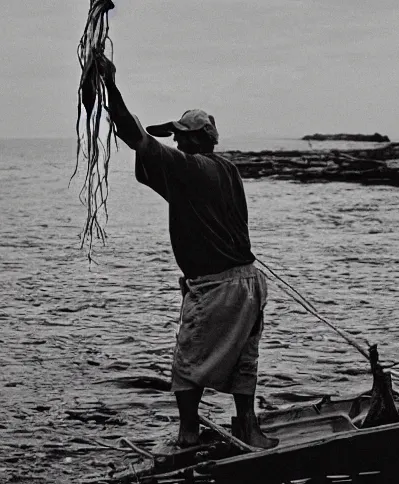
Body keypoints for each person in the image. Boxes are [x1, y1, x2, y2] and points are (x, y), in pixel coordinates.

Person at [96, 56, 277, 450]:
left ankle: (188, 435)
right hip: (248, 282)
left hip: (217, 287)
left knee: (187, 363)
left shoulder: (190, 169)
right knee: (245, 359)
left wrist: (110, 85)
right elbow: (161, 168)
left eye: (180, 137)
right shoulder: (227, 169)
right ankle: (249, 428)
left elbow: (136, 136)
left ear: (197, 141)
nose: (175, 142)